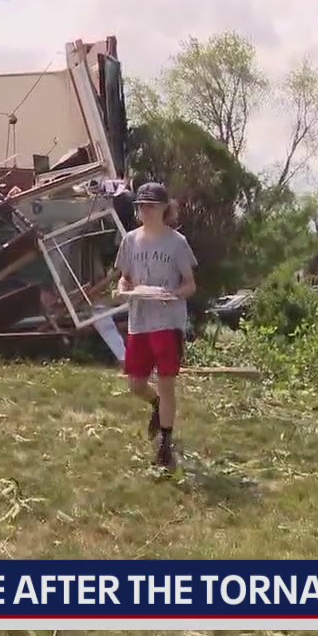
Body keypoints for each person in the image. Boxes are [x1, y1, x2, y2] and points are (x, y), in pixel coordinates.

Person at [113, 182, 198, 471]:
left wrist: (173, 294)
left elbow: (190, 285)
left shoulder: (177, 243)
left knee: (166, 381)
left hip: (167, 321)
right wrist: (123, 288)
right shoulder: (130, 241)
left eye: (151, 206)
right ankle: (156, 405)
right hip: (139, 320)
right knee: (136, 384)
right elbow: (125, 278)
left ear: (165, 209)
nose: (146, 211)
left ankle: (165, 443)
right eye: (141, 206)